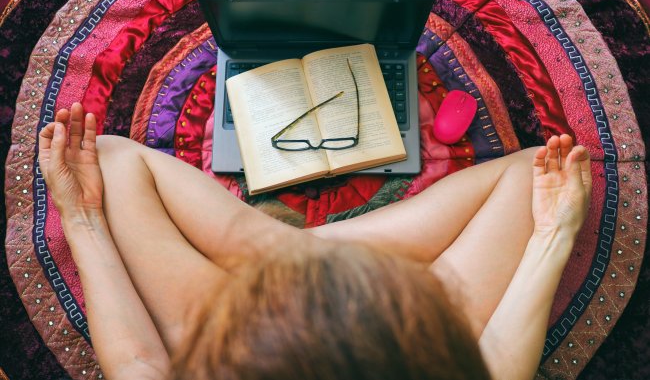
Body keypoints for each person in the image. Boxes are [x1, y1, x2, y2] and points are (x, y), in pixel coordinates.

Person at [38, 102, 592, 380]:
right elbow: (495, 367)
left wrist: (83, 218)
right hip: (386, 312)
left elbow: (136, 363)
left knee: (108, 159)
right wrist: (552, 234)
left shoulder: (219, 346)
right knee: (537, 176)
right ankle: (313, 260)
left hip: (247, 311)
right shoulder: (424, 341)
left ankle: (297, 259)